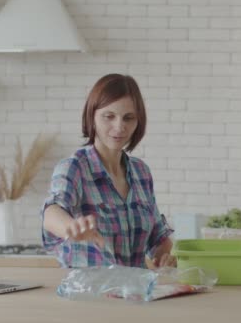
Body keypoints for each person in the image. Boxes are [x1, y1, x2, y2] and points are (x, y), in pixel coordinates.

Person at [41, 74, 175, 269]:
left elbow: (157, 237)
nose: (119, 127)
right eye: (109, 116)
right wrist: (71, 228)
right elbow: (52, 213)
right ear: (92, 117)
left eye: (128, 118)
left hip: (136, 293)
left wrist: (165, 256)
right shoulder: (75, 167)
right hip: (91, 295)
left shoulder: (141, 172)